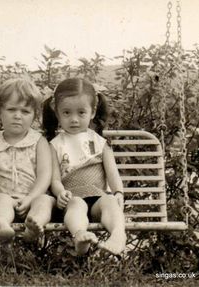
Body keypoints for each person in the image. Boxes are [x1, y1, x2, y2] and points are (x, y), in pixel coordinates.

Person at [43, 78, 126, 256]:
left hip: (97, 198)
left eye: (81, 113)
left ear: (93, 112)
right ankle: (80, 236)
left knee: (110, 202)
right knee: (77, 205)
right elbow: (55, 178)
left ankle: (118, 234)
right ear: (57, 113)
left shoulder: (100, 142)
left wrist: (118, 192)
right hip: (71, 197)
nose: (74, 119)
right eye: (66, 113)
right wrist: (60, 193)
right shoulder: (55, 145)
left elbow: (112, 174)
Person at [0, 78, 55, 242]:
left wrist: (30, 198)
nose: (17, 116)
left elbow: (45, 176)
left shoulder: (39, 142)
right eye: (11, 109)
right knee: (1, 200)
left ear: (34, 116)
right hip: (5, 195)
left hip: (35, 196)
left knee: (44, 202)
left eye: (25, 111)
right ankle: (2, 225)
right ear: (0, 111)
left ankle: (34, 226)